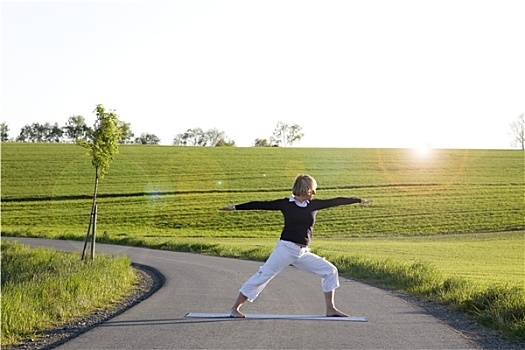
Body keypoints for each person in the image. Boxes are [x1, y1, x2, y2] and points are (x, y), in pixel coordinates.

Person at [219, 174, 372, 318]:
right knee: (263, 275)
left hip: (302, 252)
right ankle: (235, 309)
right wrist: (234, 207)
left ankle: (330, 309)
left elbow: (336, 201)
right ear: (305, 189)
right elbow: (260, 205)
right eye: (313, 190)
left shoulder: (313, 205)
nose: (314, 193)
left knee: (330, 271)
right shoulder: (286, 204)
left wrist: (358, 200)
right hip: (285, 249)